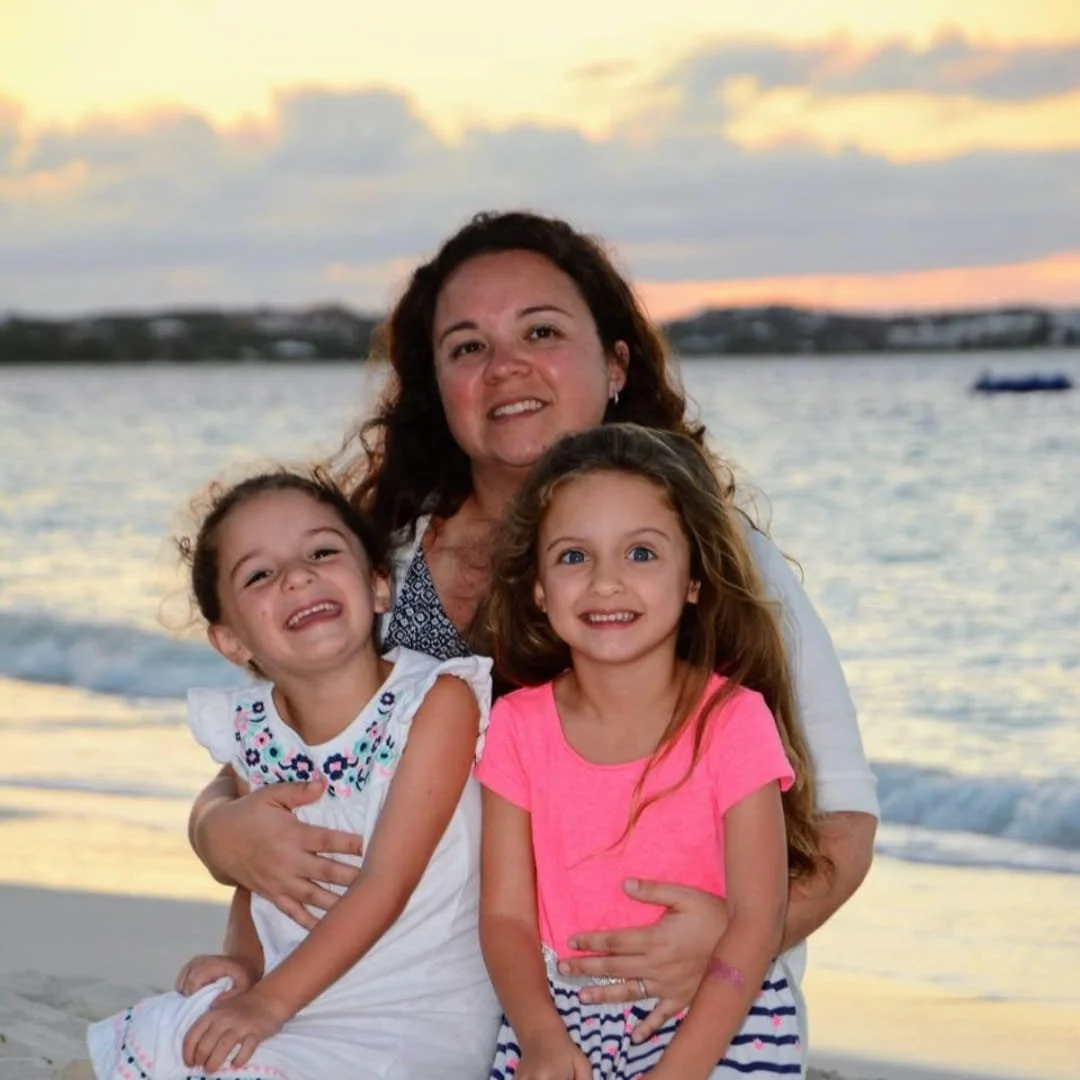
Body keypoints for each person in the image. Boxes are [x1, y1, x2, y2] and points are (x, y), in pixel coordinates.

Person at [188, 210, 879, 1044]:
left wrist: (738, 938)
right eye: (467, 347)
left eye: (541, 331)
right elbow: (293, 745)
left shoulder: (719, 564)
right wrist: (216, 829)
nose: (505, 366)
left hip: (667, 1017)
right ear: (436, 388)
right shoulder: (384, 566)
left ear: (616, 364)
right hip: (405, 1007)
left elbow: (843, 822)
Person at [87, 470, 500, 1078]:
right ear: (231, 642)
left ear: (379, 584)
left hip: (412, 1015)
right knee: (173, 1036)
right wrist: (245, 969)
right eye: (259, 574)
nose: (298, 575)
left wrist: (266, 1005)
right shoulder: (253, 730)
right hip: (293, 1000)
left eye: (322, 552)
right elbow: (257, 881)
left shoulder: (435, 703)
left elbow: (386, 884)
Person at [476, 423, 814, 1079]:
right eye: (575, 557)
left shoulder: (733, 721)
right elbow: (506, 916)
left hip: (718, 1015)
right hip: (556, 1018)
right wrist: (542, 1037)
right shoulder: (517, 726)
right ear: (538, 589)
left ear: (693, 578)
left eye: (641, 554)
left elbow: (756, 919)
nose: (606, 582)